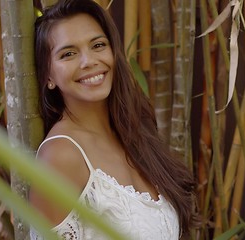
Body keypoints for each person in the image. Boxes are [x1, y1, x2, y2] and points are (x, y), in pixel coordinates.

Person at [30, 0, 197, 239]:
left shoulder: (135, 135)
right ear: (48, 75)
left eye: (98, 45)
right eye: (68, 54)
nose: (88, 61)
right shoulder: (60, 156)